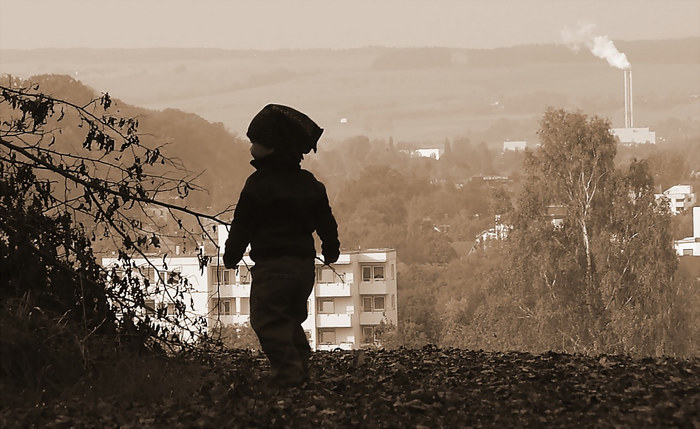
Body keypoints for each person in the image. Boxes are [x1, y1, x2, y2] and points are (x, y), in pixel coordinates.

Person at [223, 104, 340, 388]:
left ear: (272, 147)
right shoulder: (310, 183)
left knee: (267, 321)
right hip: (303, 269)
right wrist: (331, 247)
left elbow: (242, 225)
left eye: (255, 142)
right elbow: (326, 221)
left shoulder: (257, 185)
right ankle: (299, 362)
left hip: (273, 268)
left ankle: (288, 374)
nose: (251, 148)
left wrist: (232, 254)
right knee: (288, 318)